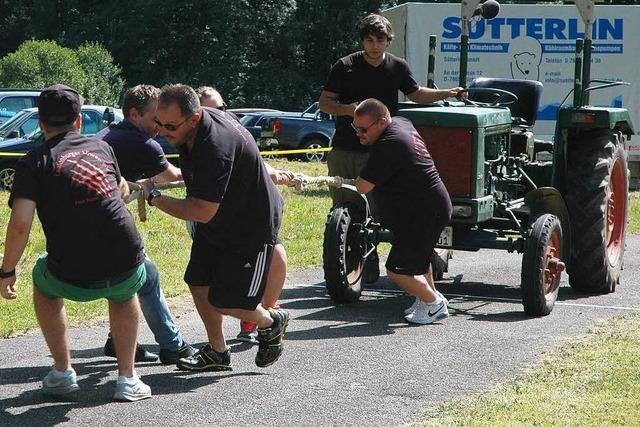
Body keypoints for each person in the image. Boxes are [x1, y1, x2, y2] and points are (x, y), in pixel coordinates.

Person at [0, 84, 151, 401]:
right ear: (79, 121)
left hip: (70, 268)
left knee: (43, 282)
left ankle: (63, 371)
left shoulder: (34, 161)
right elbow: (122, 190)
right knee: (124, 295)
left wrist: (6, 271)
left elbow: (20, 225)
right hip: (127, 257)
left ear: (40, 123)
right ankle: (128, 378)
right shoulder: (102, 148)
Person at [139, 84, 290, 370]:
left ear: (194, 119)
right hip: (221, 216)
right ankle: (217, 353)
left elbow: (200, 211)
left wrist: (155, 197)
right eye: (158, 122)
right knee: (198, 281)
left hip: (251, 224)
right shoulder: (190, 127)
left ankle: (270, 322)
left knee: (226, 301)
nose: (162, 131)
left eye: (170, 125)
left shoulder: (215, 146)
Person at [319, 13, 463, 209]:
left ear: (388, 41)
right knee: (341, 209)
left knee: (379, 210)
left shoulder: (398, 66)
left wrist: (448, 92)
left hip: (381, 152)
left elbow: (417, 93)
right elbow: (324, 103)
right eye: (369, 40)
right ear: (362, 41)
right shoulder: (345, 66)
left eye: (380, 40)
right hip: (344, 149)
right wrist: (347, 110)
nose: (375, 45)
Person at [95, 84, 195, 363]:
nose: (160, 126)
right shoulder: (142, 144)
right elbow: (172, 177)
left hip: (89, 219)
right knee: (145, 275)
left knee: (126, 278)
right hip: (102, 223)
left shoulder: (109, 133)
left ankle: (118, 341)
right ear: (135, 114)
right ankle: (173, 345)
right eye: (155, 119)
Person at [196, 85, 291, 344]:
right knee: (206, 283)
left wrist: (271, 170)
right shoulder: (201, 138)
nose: (221, 114)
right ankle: (225, 340)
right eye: (212, 110)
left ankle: (264, 317)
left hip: (249, 215)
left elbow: (254, 158)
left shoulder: (235, 127)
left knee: (277, 257)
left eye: (223, 108)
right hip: (216, 219)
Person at [353, 99, 452, 324]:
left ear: (382, 122)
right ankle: (427, 300)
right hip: (427, 208)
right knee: (419, 260)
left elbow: (362, 187)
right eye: (355, 128)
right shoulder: (401, 123)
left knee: (397, 272)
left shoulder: (390, 144)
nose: (358, 134)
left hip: (422, 214)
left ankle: (434, 303)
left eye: (363, 129)